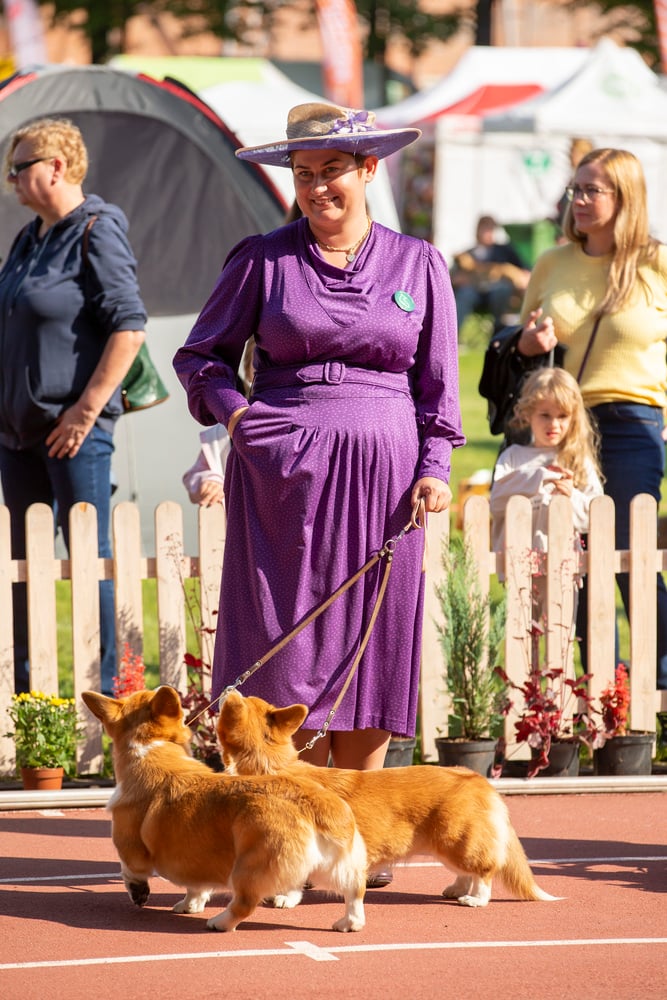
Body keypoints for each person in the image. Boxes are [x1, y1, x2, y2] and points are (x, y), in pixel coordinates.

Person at [174, 102, 464, 778]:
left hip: (386, 478)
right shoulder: (262, 259)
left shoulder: (418, 263)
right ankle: (287, 817)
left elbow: (438, 387)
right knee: (284, 642)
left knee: (373, 632)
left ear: (367, 169)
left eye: (330, 170)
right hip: (280, 475)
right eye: (302, 174)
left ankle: (360, 822)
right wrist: (241, 419)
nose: (315, 188)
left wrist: (436, 466)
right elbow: (201, 357)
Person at [0, 118, 146, 695]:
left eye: (20, 167)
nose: (10, 179)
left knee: (91, 561)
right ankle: (28, 697)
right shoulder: (29, 236)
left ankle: (110, 693)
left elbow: (128, 328)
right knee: (23, 565)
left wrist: (85, 412)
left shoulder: (97, 230)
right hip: (16, 434)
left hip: (73, 433)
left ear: (56, 167)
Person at [515, 147, 667, 690]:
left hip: (635, 423)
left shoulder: (656, 264)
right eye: (574, 189)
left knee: (629, 550)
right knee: (572, 554)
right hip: (566, 422)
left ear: (625, 198)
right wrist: (529, 342)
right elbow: (520, 344)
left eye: (591, 190)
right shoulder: (552, 263)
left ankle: (657, 682)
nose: (578, 200)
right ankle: (590, 685)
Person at [490, 367, 603, 628]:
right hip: (520, 563)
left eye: (562, 416)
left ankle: (559, 672)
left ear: (573, 418)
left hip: (564, 565)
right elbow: (497, 502)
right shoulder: (513, 457)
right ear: (528, 413)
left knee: (561, 634)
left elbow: (595, 515)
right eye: (545, 415)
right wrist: (538, 477)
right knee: (522, 637)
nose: (554, 424)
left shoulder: (576, 460)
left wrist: (571, 495)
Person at [450, 214, 530, 334]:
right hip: (474, 292)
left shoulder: (505, 250)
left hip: (498, 291)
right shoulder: (466, 254)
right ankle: (452, 336)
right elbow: (453, 277)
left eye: (489, 229)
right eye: (483, 229)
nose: (486, 233)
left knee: (501, 291)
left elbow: (524, 268)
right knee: (464, 294)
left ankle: (499, 335)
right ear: (477, 230)